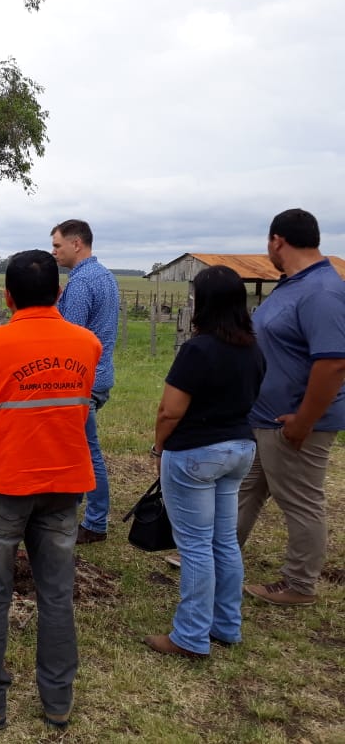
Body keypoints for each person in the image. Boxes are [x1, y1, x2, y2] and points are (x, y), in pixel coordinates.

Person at [0, 250, 100, 730]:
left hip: (1, 482)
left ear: (7, 296)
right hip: (65, 481)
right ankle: (58, 701)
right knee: (56, 592)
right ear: (60, 293)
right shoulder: (87, 343)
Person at [145, 266, 265, 658]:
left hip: (196, 453)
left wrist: (159, 447)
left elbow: (170, 411)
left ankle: (191, 636)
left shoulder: (197, 350)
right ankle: (226, 625)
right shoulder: (253, 348)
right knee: (224, 541)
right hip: (240, 450)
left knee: (195, 546)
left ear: (204, 301)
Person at [237, 208, 345, 606]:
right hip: (266, 417)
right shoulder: (294, 285)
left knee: (300, 500)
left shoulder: (322, 292)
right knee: (245, 490)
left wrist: (303, 421)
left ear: (277, 240)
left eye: (269, 244)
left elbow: (333, 362)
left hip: (294, 421)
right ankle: (220, 555)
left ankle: (300, 584)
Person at [50, 219, 120, 544]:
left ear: (76, 244)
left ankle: (94, 523)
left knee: (88, 452)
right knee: (81, 448)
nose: (54, 253)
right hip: (100, 373)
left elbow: (70, 337)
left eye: (57, 245)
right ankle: (74, 511)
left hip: (83, 381)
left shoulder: (80, 283)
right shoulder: (104, 275)